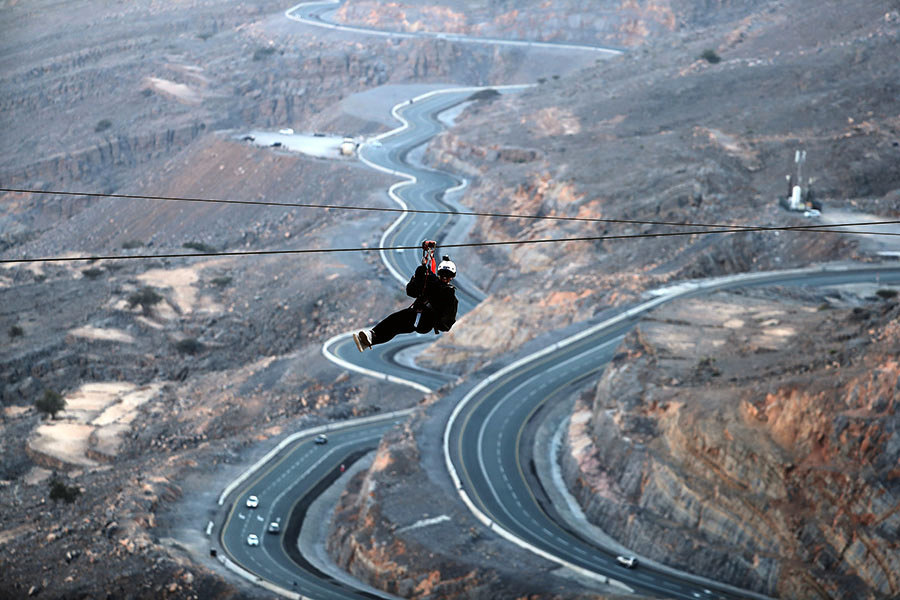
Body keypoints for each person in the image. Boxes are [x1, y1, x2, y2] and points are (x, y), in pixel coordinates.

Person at [353, 245, 458, 351]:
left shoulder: (441, 288)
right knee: (394, 328)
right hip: (421, 321)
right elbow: (412, 291)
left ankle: (371, 336)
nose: (444, 278)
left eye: (446, 275)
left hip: (421, 319)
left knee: (393, 320)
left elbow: (414, 291)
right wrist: (419, 277)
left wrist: (421, 273)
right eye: (443, 275)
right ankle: (368, 342)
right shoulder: (433, 282)